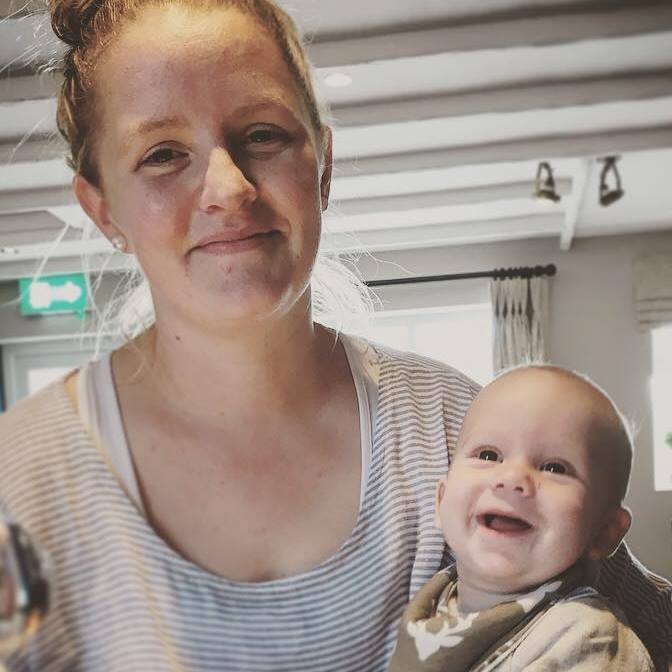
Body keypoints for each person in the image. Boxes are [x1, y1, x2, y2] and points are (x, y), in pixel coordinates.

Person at [0, 1, 670, 670]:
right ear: (103, 210)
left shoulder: (458, 432)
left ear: (322, 166)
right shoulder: (19, 482)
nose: (228, 188)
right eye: (164, 154)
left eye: (263, 134)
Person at [389, 366, 655, 671]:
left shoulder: (586, 640)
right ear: (441, 501)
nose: (512, 477)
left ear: (604, 532)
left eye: (555, 467)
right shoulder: (436, 599)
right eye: (488, 455)